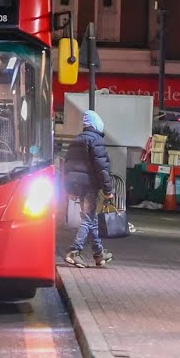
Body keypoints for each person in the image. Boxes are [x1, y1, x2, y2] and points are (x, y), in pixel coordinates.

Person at [63, 110, 115, 268]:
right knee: (87, 219)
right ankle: (75, 251)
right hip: (90, 185)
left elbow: (67, 166)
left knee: (90, 219)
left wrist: (69, 188)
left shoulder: (76, 141)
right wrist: (108, 190)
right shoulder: (96, 140)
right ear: (97, 125)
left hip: (77, 185)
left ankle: (99, 254)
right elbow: (102, 168)